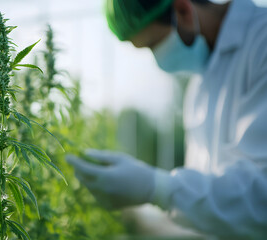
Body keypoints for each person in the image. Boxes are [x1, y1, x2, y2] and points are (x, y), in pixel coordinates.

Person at [66, 0, 267, 239]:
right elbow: (209, 218)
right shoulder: (199, 88)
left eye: (152, 44)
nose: (157, 59)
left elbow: (260, 200)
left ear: (182, 10)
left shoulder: (261, 42)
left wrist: (157, 188)